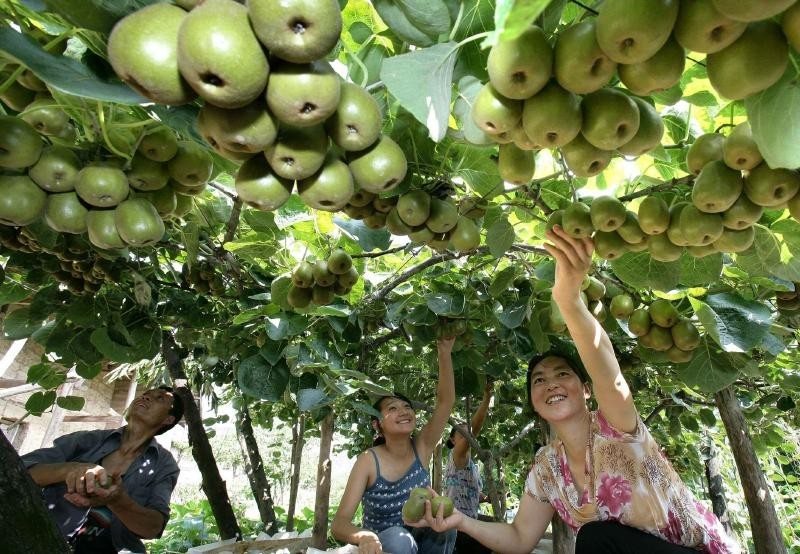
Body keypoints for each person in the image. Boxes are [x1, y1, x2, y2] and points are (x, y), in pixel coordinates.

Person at [408, 226, 741, 554]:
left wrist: (568, 301)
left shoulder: (615, 426)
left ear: (586, 390)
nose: (551, 383)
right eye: (539, 380)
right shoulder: (548, 467)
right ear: (534, 403)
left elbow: (610, 377)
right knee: (595, 539)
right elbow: (520, 538)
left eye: (562, 374)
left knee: (596, 538)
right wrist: (462, 522)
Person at [21, 385, 184, 553]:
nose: (145, 397)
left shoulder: (164, 465)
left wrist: (117, 500)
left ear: (168, 419)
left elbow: (153, 528)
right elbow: (20, 471)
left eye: (160, 398)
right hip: (44, 541)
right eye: (146, 394)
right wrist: (70, 469)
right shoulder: (87, 440)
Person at [332, 336, 457, 554]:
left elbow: (445, 403)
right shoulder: (369, 461)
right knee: (400, 540)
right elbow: (339, 524)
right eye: (392, 408)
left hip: (420, 536)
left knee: (447, 527)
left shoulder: (422, 447)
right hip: (384, 544)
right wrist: (365, 536)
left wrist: (444, 352)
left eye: (407, 407)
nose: (403, 411)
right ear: (377, 424)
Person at [443, 381, 493, 554]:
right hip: (457, 525)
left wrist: (486, 498)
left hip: (468, 522)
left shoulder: (470, 464)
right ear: (453, 440)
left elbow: (470, 493)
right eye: (462, 434)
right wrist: (486, 399)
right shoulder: (457, 455)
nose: (467, 436)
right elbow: (474, 431)